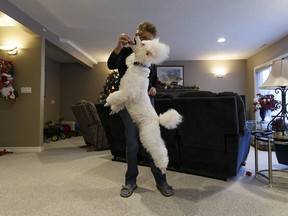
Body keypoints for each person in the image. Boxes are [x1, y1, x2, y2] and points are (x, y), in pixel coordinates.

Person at [107, 21, 174, 198]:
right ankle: (130, 181)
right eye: (143, 38)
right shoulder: (127, 50)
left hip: (146, 101)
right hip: (128, 102)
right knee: (132, 142)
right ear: (137, 35)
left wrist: (154, 88)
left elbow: (153, 80)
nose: (146, 42)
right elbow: (111, 65)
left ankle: (161, 180)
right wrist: (119, 46)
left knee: (153, 139)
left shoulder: (152, 56)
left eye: (149, 39)